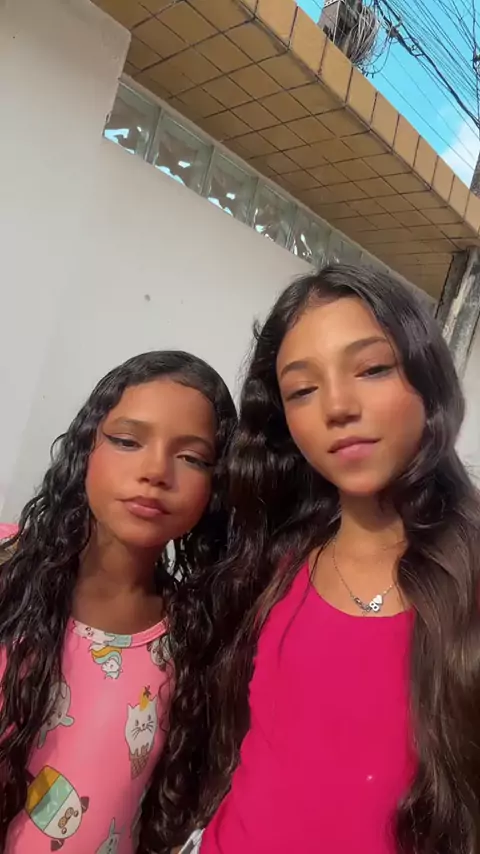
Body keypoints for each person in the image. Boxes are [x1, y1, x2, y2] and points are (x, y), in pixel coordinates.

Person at [147, 265, 480, 854]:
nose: (338, 406)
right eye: (303, 390)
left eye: (372, 369)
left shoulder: (469, 580)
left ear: (429, 374)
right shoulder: (271, 562)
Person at [0, 350, 236, 853]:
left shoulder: (194, 643)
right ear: (86, 446)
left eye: (192, 458)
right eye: (128, 441)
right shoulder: (4, 565)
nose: (155, 471)